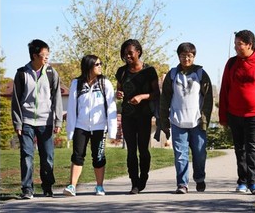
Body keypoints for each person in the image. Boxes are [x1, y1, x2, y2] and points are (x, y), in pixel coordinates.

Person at [11, 39, 63, 199]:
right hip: (26, 122)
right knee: (27, 155)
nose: (47, 57)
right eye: (43, 55)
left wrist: (58, 120)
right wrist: (17, 122)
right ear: (34, 56)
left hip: (46, 122)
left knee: (47, 156)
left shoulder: (51, 73)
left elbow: (57, 99)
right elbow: (16, 101)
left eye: (48, 54)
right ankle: (27, 189)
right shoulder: (21, 74)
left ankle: (47, 187)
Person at [219, 30, 255, 195]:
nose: (236, 47)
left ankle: (254, 182)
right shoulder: (231, 63)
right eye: (235, 44)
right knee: (239, 149)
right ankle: (242, 181)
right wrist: (223, 116)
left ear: (249, 44)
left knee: (253, 149)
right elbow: (224, 90)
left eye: (239, 44)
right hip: (234, 115)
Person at [159, 42, 213, 194]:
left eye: (189, 56)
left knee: (200, 154)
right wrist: (164, 121)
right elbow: (165, 99)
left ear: (194, 57)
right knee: (181, 155)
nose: (186, 59)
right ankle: (182, 184)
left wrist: (205, 119)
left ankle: (200, 178)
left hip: (197, 122)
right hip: (178, 121)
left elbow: (208, 99)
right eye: (183, 56)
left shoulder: (201, 74)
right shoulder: (172, 74)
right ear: (179, 56)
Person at [63, 55, 117, 196]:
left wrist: (112, 130)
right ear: (89, 66)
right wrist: (70, 130)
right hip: (81, 126)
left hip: (100, 127)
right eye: (97, 64)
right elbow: (71, 107)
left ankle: (99, 186)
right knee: (77, 156)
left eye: (100, 63)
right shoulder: (76, 83)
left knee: (98, 157)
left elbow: (111, 108)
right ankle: (72, 186)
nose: (100, 66)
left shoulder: (105, 83)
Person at [115, 39, 160, 194]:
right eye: (124, 53)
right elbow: (119, 90)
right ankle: (134, 182)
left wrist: (142, 97)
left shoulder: (149, 71)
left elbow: (156, 94)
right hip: (127, 115)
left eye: (130, 53)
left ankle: (144, 177)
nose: (127, 56)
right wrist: (118, 94)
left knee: (143, 149)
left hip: (144, 115)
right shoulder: (121, 72)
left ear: (138, 52)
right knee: (131, 150)